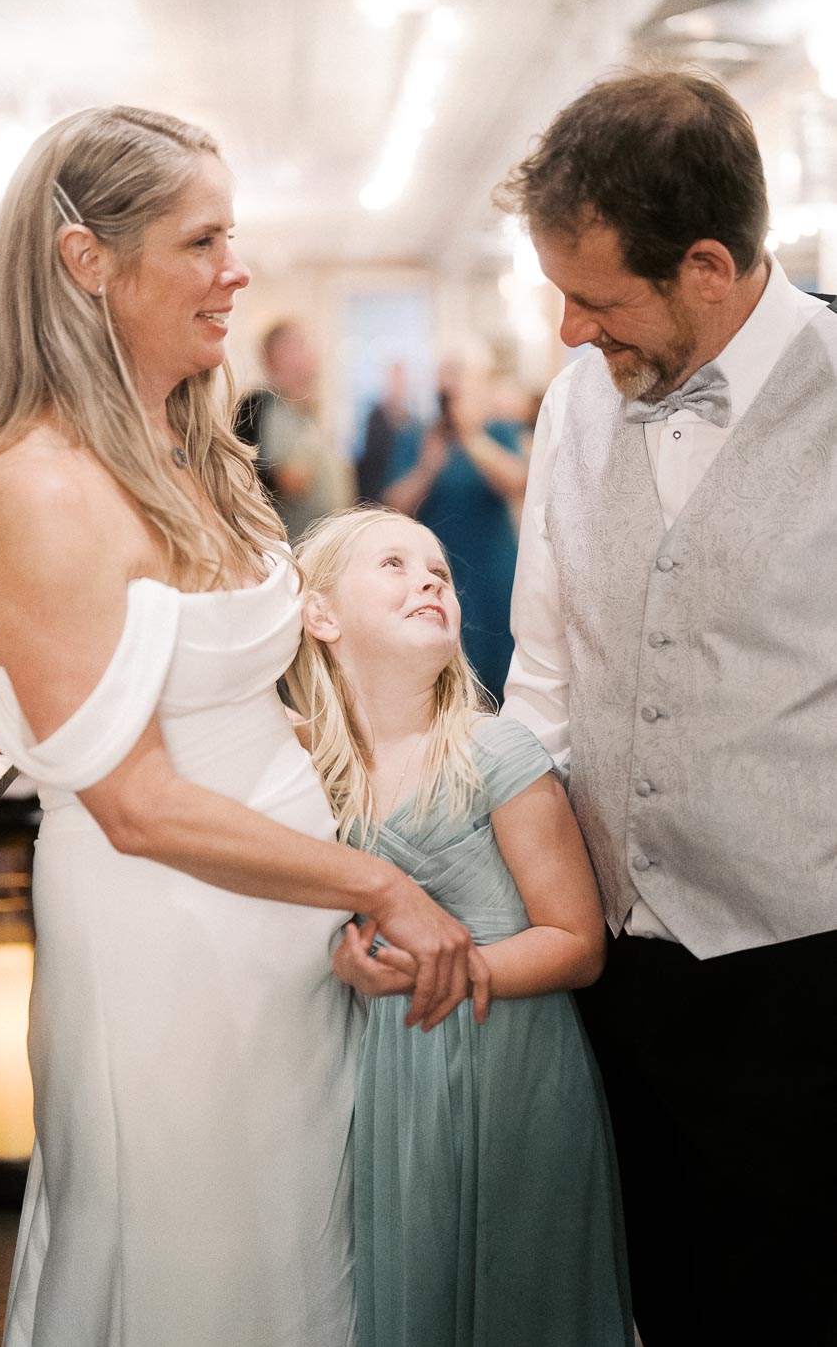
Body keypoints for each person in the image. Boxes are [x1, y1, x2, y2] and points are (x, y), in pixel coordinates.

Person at [0, 106, 487, 1347]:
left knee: (311, 1250)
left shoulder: (193, 438)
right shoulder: (34, 488)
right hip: (172, 948)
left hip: (291, 930)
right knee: (211, 1271)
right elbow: (137, 807)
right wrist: (377, 883)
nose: (237, 269)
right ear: (90, 263)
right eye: (203, 240)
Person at [495, 69, 837, 1347]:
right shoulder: (577, 402)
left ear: (708, 264)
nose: (574, 333)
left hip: (806, 978)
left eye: (594, 298)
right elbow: (544, 676)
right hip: (617, 973)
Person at [286, 506, 633, 1347]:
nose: (430, 579)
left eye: (438, 569)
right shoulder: (308, 780)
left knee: (522, 1290)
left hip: (511, 1064)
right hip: (391, 1074)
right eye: (395, 565)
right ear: (320, 616)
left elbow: (577, 943)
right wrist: (349, 955)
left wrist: (443, 970)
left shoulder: (495, 753)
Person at [383, 359, 528, 703]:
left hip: (494, 573)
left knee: (502, 670)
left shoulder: (497, 432)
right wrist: (428, 466)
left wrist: (471, 438)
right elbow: (393, 505)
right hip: (439, 574)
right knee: (444, 675)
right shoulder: (416, 437)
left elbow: (518, 483)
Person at [251, 318, 345, 542]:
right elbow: (286, 481)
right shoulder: (257, 408)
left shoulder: (306, 410)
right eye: (302, 344)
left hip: (324, 545)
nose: (314, 352)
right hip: (290, 548)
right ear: (276, 355)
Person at [355, 362, 413, 503]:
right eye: (394, 380)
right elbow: (370, 456)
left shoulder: (410, 419)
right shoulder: (376, 416)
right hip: (375, 488)